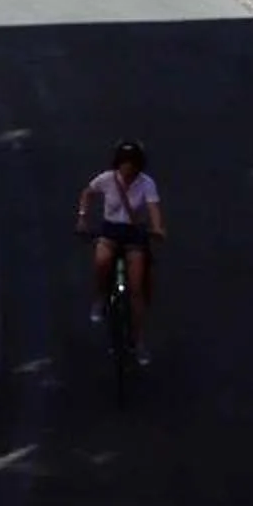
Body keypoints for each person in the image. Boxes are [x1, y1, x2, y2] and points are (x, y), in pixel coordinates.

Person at [77, 139, 166, 359]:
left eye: (132, 163)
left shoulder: (146, 183)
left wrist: (157, 228)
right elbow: (87, 193)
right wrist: (82, 217)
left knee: (136, 288)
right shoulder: (107, 179)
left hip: (134, 234)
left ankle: (138, 340)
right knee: (102, 262)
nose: (128, 168)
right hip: (110, 231)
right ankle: (100, 298)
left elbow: (153, 208)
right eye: (125, 163)